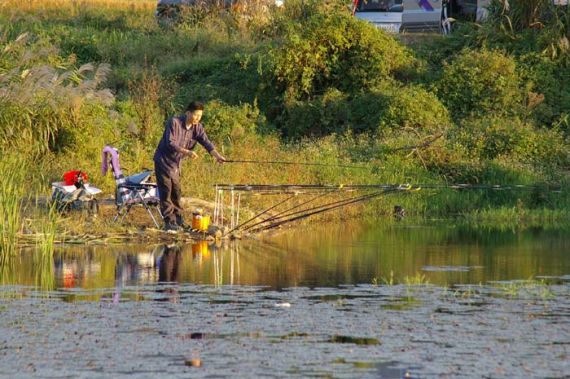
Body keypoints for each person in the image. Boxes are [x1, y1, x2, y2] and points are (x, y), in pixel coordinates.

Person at [154, 101, 225, 232]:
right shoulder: (174, 122)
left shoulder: (197, 127)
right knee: (166, 191)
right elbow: (170, 143)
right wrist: (187, 152)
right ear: (188, 113)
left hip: (175, 163)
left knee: (176, 191)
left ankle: (179, 221)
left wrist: (217, 155)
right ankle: (169, 222)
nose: (198, 118)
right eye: (196, 115)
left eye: (200, 116)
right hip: (163, 160)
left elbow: (206, 141)